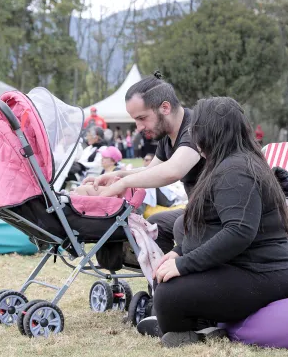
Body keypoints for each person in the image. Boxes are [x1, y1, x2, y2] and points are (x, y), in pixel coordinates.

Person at [137, 97, 288, 348]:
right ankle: (198, 323)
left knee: (170, 294)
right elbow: (211, 223)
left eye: (196, 130)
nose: (192, 136)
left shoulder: (235, 171)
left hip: (266, 274)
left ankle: (190, 329)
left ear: (211, 132)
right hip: (246, 268)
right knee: (166, 283)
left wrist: (185, 264)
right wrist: (178, 251)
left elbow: (238, 232)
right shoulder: (229, 163)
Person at [81, 71, 205, 254]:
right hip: (197, 211)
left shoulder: (196, 127)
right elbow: (151, 170)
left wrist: (123, 183)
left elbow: (174, 171)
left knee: (181, 225)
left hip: (222, 216)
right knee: (156, 224)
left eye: (141, 118)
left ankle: (177, 277)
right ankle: (156, 280)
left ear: (165, 107)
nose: (138, 128)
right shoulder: (168, 135)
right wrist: (116, 174)